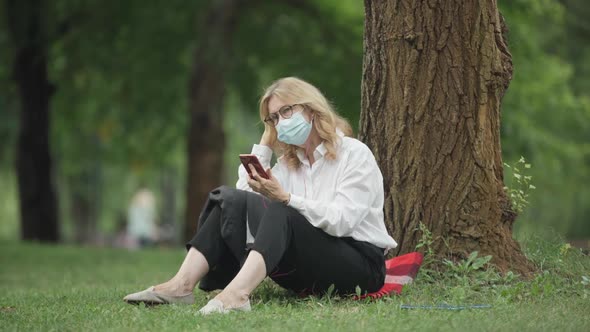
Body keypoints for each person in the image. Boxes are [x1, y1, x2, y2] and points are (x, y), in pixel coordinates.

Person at [123, 77, 397, 314]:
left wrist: (287, 199)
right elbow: (239, 206)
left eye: (286, 111)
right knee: (227, 197)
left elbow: (343, 221)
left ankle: (236, 295)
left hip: (360, 266)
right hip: (308, 265)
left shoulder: (354, 153)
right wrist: (266, 141)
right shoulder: (291, 164)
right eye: (274, 118)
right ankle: (180, 286)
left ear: (311, 108)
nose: (281, 122)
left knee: (281, 208)